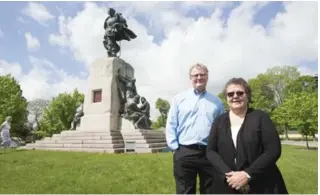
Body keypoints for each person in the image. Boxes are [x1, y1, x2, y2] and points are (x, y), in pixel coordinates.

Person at [206, 77, 288, 194]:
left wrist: (248, 174)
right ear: (226, 98)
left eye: (240, 93)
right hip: (227, 184)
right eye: (230, 94)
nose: (235, 96)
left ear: (247, 95)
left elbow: (273, 150)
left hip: (262, 183)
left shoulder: (261, 117)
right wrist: (229, 175)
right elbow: (210, 151)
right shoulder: (219, 121)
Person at [165, 63, 224, 194]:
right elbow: (171, 123)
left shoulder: (217, 102)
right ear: (190, 78)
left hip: (209, 153)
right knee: (185, 191)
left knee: (210, 190)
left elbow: (222, 128)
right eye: (195, 75)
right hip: (185, 151)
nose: (199, 77)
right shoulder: (179, 99)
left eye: (202, 74)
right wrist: (175, 148)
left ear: (207, 77)